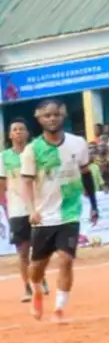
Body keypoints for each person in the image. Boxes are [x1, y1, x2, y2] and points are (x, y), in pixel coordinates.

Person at [19, 100, 99, 321]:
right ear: (39, 118)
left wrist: (93, 204)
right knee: (37, 267)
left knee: (66, 259)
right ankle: (36, 289)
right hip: (44, 216)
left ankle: (59, 308)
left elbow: (85, 173)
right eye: (47, 115)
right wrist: (31, 210)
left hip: (70, 213)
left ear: (62, 116)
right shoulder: (32, 150)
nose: (52, 118)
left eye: (56, 114)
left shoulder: (78, 143)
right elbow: (26, 183)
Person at [0, 118, 49, 302]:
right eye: (15, 130)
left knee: (39, 249)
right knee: (22, 252)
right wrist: (5, 206)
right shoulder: (4, 157)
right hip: (16, 210)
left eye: (22, 129)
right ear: (10, 134)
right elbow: (1, 184)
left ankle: (40, 279)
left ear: (28, 134)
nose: (19, 132)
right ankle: (27, 288)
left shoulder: (33, 154)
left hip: (36, 208)